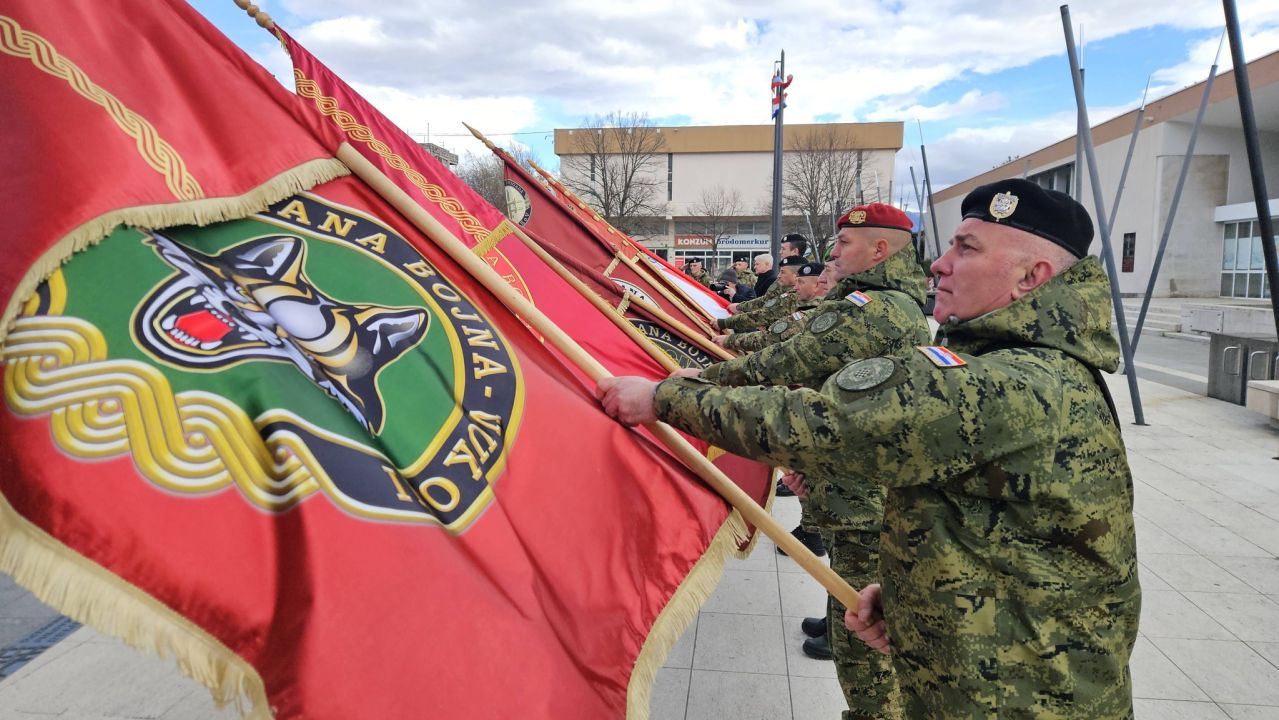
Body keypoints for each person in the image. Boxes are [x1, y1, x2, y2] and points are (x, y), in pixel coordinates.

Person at [597, 178, 1140, 720]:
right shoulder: (1034, 367)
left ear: (1031, 276)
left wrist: (664, 398)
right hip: (994, 676)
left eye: (966, 248)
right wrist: (915, 601)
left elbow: (826, 425)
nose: (940, 265)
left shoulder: (1015, 381)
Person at [675, 204, 930, 717]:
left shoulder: (874, 308)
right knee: (851, 601)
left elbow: (787, 359)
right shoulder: (874, 301)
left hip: (867, 496)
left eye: (844, 245)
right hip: (854, 482)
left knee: (863, 644)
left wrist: (691, 385)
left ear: (880, 250)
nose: (832, 254)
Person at [718, 256, 804, 332]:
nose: (779, 276)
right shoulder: (777, 282)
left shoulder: (773, 281)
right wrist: (740, 306)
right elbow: (765, 300)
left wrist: (725, 323)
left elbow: (767, 313)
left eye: (783, 272)